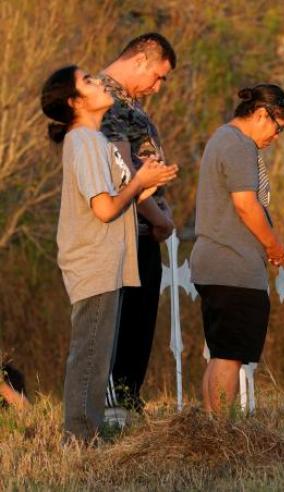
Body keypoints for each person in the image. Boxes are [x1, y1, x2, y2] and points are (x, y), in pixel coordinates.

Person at [40, 65, 177, 441]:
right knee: (90, 354)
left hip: (108, 261)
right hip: (93, 261)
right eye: (88, 82)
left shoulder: (97, 141)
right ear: (74, 102)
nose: (99, 82)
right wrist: (139, 183)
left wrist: (148, 178)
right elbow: (104, 208)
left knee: (97, 355)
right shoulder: (81, 141)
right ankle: (81, 437)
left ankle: (88, 431)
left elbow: (124, 189)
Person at [190, 84, 284, 413]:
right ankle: (218, 433)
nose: (276, 137)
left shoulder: (222, 138)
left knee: (222, 352)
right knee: (230, 356)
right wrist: (274, 246)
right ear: (262, 114)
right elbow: (246, 205)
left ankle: (209, 427)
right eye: (278, 128)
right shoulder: (239, 145)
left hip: (215, 261)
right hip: (232, 264)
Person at [98, 33, 178, 413]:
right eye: (159, 76)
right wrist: (158, 217)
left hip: (144, 230)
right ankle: (116, 407)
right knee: (125, 327)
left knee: (140, 325)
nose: (158, 87)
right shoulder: (107, 101)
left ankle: (127, 402)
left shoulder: (129, 102)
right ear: (142, 60)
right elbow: (122, 170)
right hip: (126, 231)